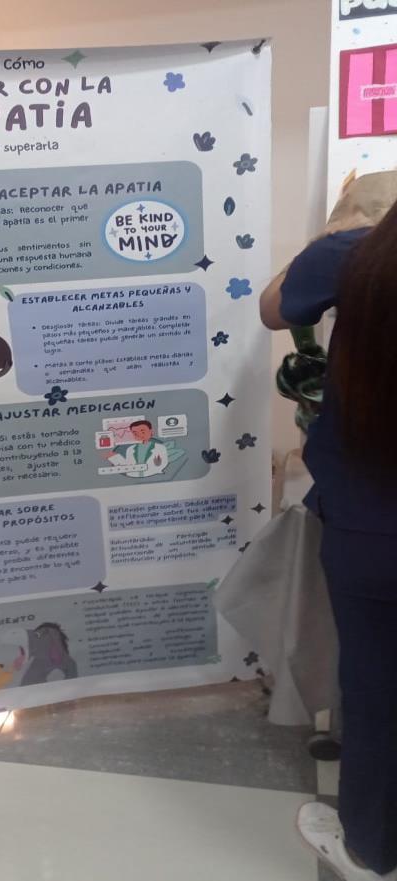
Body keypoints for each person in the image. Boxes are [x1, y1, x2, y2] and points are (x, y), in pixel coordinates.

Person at [260, 208, 397, 879]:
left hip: (374, 525)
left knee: (376, 689)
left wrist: (334, 238)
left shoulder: (358, 254)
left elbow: (273, 308)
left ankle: (370, 848)